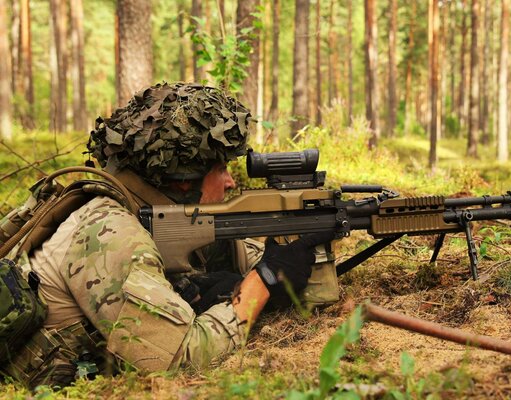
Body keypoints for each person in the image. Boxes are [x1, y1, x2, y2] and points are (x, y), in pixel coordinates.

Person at [4, 83, 333, 388]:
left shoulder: (161, 211)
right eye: (221, 169)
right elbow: (179, 360)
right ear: (183, 180)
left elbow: (265, 257)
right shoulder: (110, 234)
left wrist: (294, 248)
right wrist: (261, 282)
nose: (231, 182)